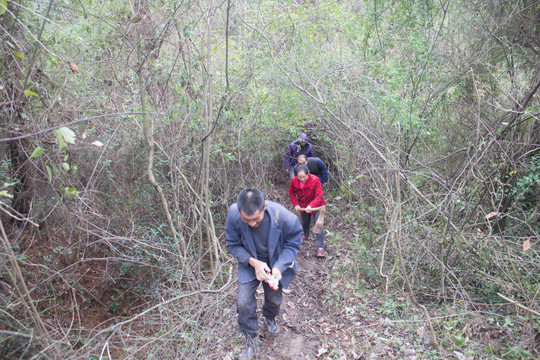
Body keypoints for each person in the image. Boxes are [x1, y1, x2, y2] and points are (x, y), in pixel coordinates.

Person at [225, 188, 302, 360]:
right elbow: (232, 244)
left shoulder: (283, 217)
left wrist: (279, 267)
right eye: (247, 220)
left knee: (274, 297)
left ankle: (270, 317)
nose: (251, 224)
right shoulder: (234, 214)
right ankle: (251, 337)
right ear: (240, 212)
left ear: (264, 207)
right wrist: (253, 262)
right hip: (249, 262)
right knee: (243, 302)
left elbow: (293, 243)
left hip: (275, 260)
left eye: (255, 219)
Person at [288, 165, 326, 257]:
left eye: (304, 177)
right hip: (303, 205)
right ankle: (306, 235)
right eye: (299, 177)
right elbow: (291, 192)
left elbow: (319, 196)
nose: (302, 179)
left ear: (308, 173)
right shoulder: (293, 180)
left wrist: (311, 205)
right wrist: (295, 204)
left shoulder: (315, 179)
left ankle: (320, 248)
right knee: (305, 222)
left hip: (317, 206)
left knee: (318, 225)